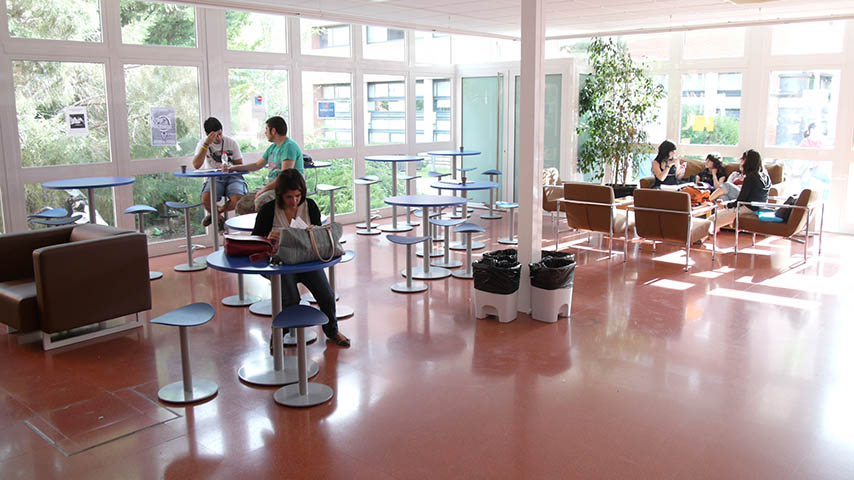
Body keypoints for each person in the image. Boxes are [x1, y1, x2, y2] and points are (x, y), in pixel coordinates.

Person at [251, 169, 350, 348]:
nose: (295, 201)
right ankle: (281, 334)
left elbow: (319, 237)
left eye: (298, 196)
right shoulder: (268, 210)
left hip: (307, 260)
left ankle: (332, 331)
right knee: (290, 298)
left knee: (326, 295)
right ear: (280, 195)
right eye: (289, 197)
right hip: (279, 263)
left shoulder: (309, 206)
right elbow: (255, 240)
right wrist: (269, 240)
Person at [225, 116, 304, 211]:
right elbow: (257, 165)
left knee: (260, 201)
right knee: (242, 205)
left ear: (273, 131)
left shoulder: (289, 147)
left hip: (287, 187)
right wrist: (233, 168)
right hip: (272, 185)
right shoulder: (273, 147)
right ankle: (257, 225)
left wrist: (264, 189)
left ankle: (266, 225)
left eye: (266, 129)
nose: (265, 132)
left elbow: (284, 177)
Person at [193, 117, 248, 229]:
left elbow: (239, 164)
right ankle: (219, 219)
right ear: (208, 135)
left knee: (238, 199)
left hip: (233, 176)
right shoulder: (202, 144)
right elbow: (196, 165)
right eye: (214, 136)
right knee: (205, 199)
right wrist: (206, 145)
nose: (218, 138)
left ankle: (216, 212)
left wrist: (230, 167)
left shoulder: (231, 143)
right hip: (215, 177)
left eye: (220, 134)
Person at [711, 149, 771, 229]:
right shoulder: (765, 177)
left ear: (747, 161)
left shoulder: (750, 177)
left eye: (742, 159)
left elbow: (741, 201)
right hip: (759, 207)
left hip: (748, 209)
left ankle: (696, 239)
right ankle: (700, 239)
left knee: (710, 220)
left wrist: (726, 205)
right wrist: (727, 204)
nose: (741, 161)